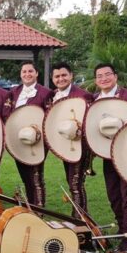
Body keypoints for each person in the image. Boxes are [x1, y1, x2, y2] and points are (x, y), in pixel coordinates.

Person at [92, 63, 127, 253]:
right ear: (96, 80)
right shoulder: (94, 100)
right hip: (107, 154)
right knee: (113, 194)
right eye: (100, 76)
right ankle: (123, 229)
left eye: (107, 75)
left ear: (115, 76)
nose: (104, 78)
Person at [47, 62, 93, 215]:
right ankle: (80, 217)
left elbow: (89, 121)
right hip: (63, 146)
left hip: (80, 146)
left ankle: (81, 221)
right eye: (57, 76)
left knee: (76, 184)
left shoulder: (82, 95)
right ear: (52, 78)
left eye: (64, 75)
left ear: (71, 75)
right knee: (72, 183)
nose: (61, 79)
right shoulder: (52, 96)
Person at [5, 61, 52, 206]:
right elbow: (7, 114)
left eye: (30, 71)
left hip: (37, 141)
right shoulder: (13, 92)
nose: (27, 74)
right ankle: (31, 207)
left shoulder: (45, 92)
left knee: (36, 178)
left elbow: (50, 117)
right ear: (20, 74)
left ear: (36, 73)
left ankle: (40, 210)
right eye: (24, 71)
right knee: (25, 177)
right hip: (19, 141)